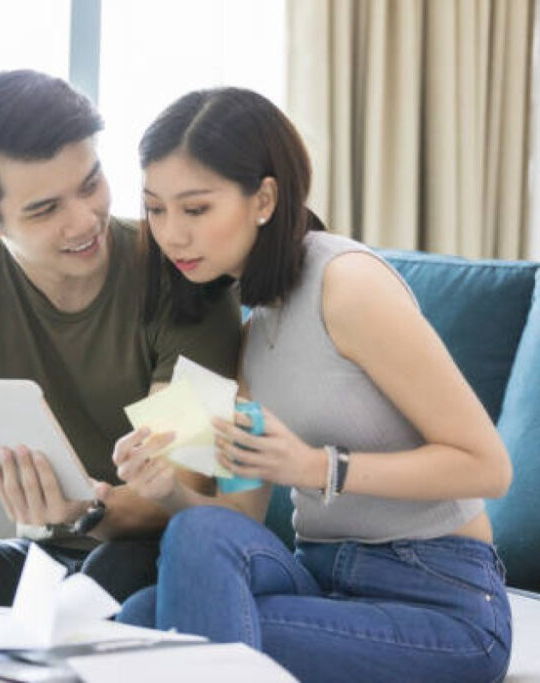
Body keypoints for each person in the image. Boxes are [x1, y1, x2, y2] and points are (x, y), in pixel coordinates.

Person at [112, 87, 513, 682]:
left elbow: (488, 467)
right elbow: (238, 520)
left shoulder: (346, 284)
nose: (172, 234)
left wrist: (318, 468)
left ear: (264, 198)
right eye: (155, 209)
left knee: (168, 627)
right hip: (322, 580)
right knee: (149, 602)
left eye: (195, 209)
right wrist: (167, 487)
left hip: (440, 598)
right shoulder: (252, 328)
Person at [0, 70, 241, 607]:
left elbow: (183, 487)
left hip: (157, 556)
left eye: (90, 183)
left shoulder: (183, 278)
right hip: (43, 566)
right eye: (45, 210)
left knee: (113, 570)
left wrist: (84, 510)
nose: (85, 220)